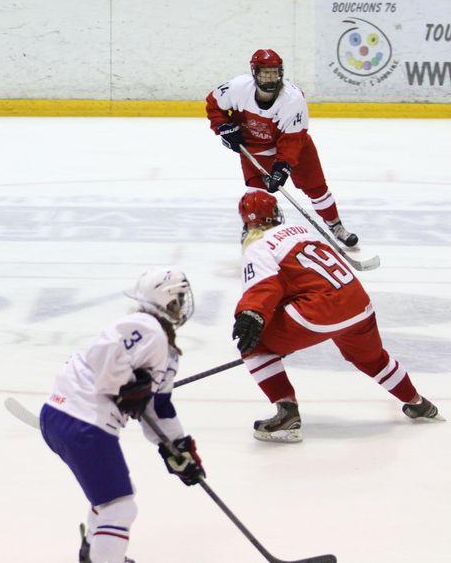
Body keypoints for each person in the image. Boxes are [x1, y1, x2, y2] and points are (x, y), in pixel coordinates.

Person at [232, 190, 442, 443]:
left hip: (319, 311)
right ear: (277, 214)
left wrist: (252, 315)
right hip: (359, 305)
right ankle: (418, 403)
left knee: (255, 343)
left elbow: (266, 287)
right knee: (373, 359)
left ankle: (286, 415)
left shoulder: (258, 245)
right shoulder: (301, 230)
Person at [40, 269, 205, 563]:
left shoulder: (165, 348)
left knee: (114, 496)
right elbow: (106, 356)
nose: (182, 303)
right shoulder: (144, 326)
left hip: (69, 417)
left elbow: (159, 407)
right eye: (179, 297)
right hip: (82, 421)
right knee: (120, 508)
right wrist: (125, 383)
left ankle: (96, 552)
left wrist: (178, 448)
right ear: (168, 299)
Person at [206, 48, 360, 248]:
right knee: (257, 196)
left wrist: (283, 167)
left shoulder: (293, 99)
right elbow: (213, 105)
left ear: (281, 72)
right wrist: (223, 127)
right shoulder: (237, 88)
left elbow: (293, 139)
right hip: (255, 149)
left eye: (274, 72)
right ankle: (255, 234)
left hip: (297, 148)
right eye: (265, 73)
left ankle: (335, 225)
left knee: (316, 189)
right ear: (254, 72)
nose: (270, 78)